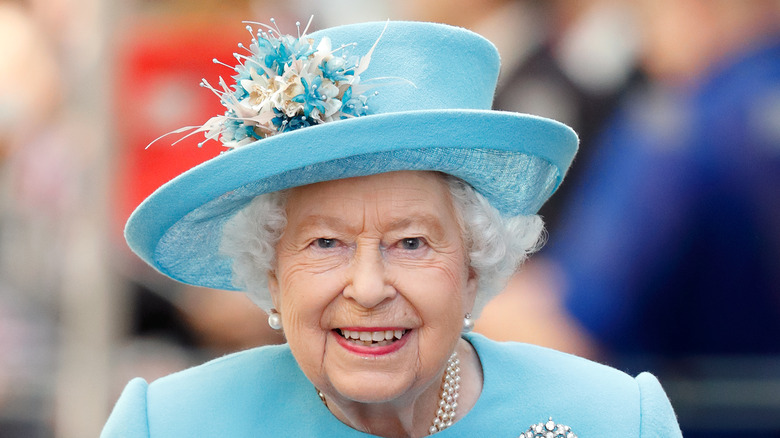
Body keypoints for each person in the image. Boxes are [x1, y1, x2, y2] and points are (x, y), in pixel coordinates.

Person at [102, 19, 682, 437]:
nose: (369, 287)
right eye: (325, 243)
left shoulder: (616, 420)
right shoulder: (169, 425)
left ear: (474, 266)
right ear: (272, 272)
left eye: (411, 243)